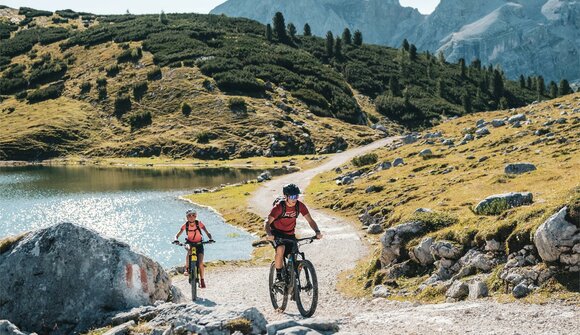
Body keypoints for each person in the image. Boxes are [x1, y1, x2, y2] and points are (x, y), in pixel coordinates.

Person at [265, 183, 322, 283]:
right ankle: (279, 276)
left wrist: (317, 232)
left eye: (296, 196)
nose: (294, 199)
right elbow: (267, 222)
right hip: (276, 233)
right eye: (291, 196)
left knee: (294, 254)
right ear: (286, 196)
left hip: (290, 234)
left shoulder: (299, 206)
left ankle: (293, 282)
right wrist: (270, 235)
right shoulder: (279, 207)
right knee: (281, 248)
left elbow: (310, 220)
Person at [174, 209, 213, 288]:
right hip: (190, 243)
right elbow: (177, 235)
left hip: (199, 243)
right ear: (187, 217)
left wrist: (210, 239)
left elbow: (207, 232)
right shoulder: (186, 225)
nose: (191, 217)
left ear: (196, 216)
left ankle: (202, 280)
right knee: (189, 251)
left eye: (193, 215)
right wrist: (176, 240)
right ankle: (187, 269)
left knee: (201, 263)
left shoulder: (199, 223)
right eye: (189, 216)